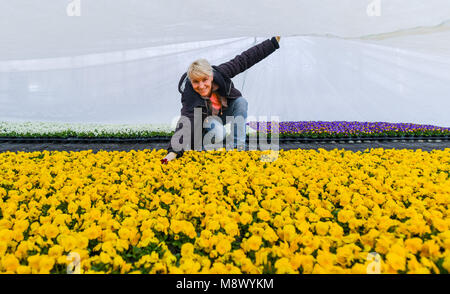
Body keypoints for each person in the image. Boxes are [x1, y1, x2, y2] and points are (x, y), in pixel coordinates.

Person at [161, 36, 281, 164]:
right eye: (196, 82)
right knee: (219, 132)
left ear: (211, 76)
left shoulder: (221, 73)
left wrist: (273, 43)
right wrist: (172, 152)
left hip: (223, 113)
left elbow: (244, 60)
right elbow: (186, 121)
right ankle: (201, 146)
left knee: (241, 102)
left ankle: (237, 149)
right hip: (204, 121)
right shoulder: (189, 93)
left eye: (204, 80)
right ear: (191, 80)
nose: (201, 86)